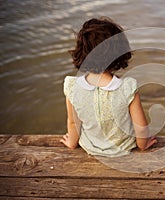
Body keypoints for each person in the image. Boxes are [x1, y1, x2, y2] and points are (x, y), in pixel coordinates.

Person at [60, 17, 157, 157]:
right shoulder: (127, 88)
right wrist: (143, 144)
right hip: (123, 148)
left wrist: (72, 143)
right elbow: (140, 128)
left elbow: (73, 123)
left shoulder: (72, 86)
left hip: (91, 147)